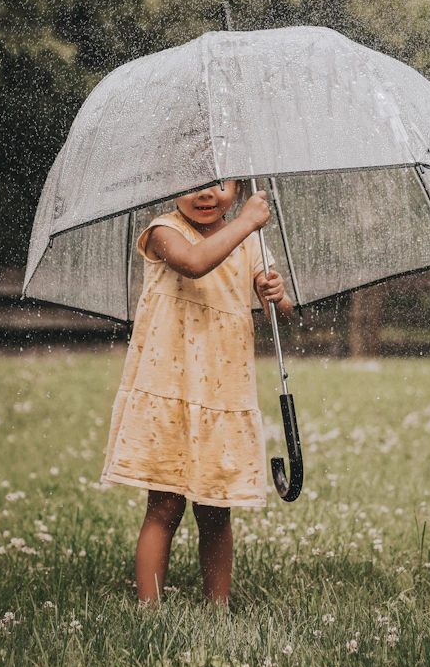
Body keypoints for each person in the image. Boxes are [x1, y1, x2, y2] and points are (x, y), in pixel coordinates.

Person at [101, 181, 293, 605]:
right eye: (191, 184)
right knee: (164, 505)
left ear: (239, 186)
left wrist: (276, 296)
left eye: (220, 184)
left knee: (214, 508)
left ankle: (217, 607)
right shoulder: (163, 231)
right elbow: (193, 263)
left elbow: (281, 308)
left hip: (222, 392)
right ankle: (149, 608)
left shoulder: (250, 240)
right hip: (169, 389)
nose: (205, 194)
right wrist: (246, 221)